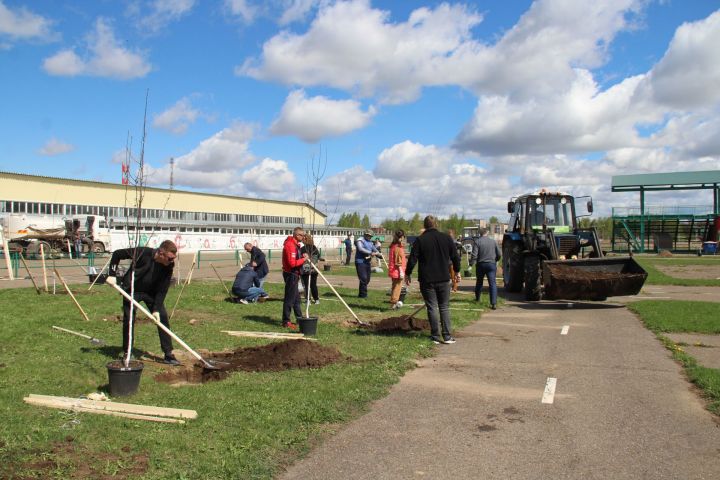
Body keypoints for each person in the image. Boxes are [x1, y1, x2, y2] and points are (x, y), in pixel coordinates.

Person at [107, 240, 179, 365]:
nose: (171, 261)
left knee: (162, 318)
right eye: (169, 258)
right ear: (161, 253)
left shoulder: (169, 266)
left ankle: (168, 354)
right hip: (132, 290)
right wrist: (112, 274)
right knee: (129, 320)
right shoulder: (142, 253)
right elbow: (117, 254)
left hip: (151, 293)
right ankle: (127, 352)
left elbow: (163, 288)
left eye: (173, 258)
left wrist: (156, 308)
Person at [405, 216, 461, 344]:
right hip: (443, 277)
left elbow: (413, 258)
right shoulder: (446, 238)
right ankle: (447, 336)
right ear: (436, 224)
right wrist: (457, 272)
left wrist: (408, 274)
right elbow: (456, 257)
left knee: (432, 307)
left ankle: (435, 336)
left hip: (427, 279)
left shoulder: (420, 240)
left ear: (425, 226)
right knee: (444, 307)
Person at [281, 227, 308, 330]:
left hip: (295, 274)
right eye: (302, 235)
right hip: (291, 274)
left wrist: (303, 255)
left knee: (296, 298)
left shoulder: (296, 245)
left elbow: (297, 256)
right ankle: (286, 321)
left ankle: (299, 318)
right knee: (289, 299)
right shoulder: (290, 245)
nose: (303, 237)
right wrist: (304, 259)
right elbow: (292, 263)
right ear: (297, 235)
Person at [469, 227, 501, 309]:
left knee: (479, 282)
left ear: (480, 233)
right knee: (492, 283)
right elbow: (499, 254)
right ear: (487, 232)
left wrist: (471, 264)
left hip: (480, 265)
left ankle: (477, 298)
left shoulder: (477, 242)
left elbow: (474, 255)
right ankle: (493, 303)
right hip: (491, 264)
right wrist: (496, 260)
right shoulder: (493, 242)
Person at [355, 230, 380, 298]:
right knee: (363, 278)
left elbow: (375, 250)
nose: (369, 237)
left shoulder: (370, 243)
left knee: (367, 279)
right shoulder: (360, 240)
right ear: (365, 234)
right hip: (360, 262)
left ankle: (361, 294)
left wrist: (378, 254)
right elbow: (360, 249)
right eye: (368, 235)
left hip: (367, 262)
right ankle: (364, 295)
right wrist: (370, 252)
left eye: (370, 236)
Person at [300, 233, 323, 304]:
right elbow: (318, 257)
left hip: (306, 269)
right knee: (313, 285)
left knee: (306, 285)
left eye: (303, 238)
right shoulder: (314, 247)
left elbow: (301, 258)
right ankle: (316, 300)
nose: (301, 240)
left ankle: (308, 300)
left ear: (305, 239)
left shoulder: (303, 249)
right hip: (314, 269)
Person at [388, 229, 407, 310]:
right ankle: (394, 304)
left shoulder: (394, 246)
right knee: (397, 288)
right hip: (397, 272)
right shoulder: (398, 248)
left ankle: (393, 304)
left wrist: (405, 256)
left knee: (395, 287)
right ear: (401, 237)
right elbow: (398, 261)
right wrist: (401, 272)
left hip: (394, 271)